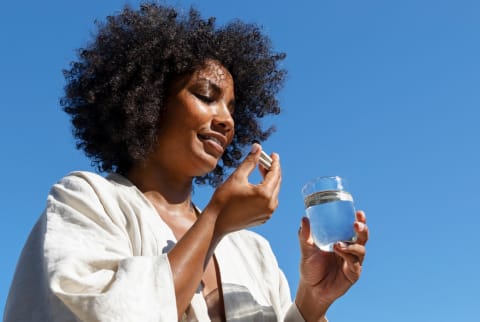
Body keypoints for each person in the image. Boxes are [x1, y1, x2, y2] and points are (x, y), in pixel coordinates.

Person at [4, 3, 369, 322]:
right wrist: (215, 220)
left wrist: (312, 301)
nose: (226, 120)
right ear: (149, 100)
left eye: (232, 108)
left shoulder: (252, 249)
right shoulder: (87, 200)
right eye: (207, 96)